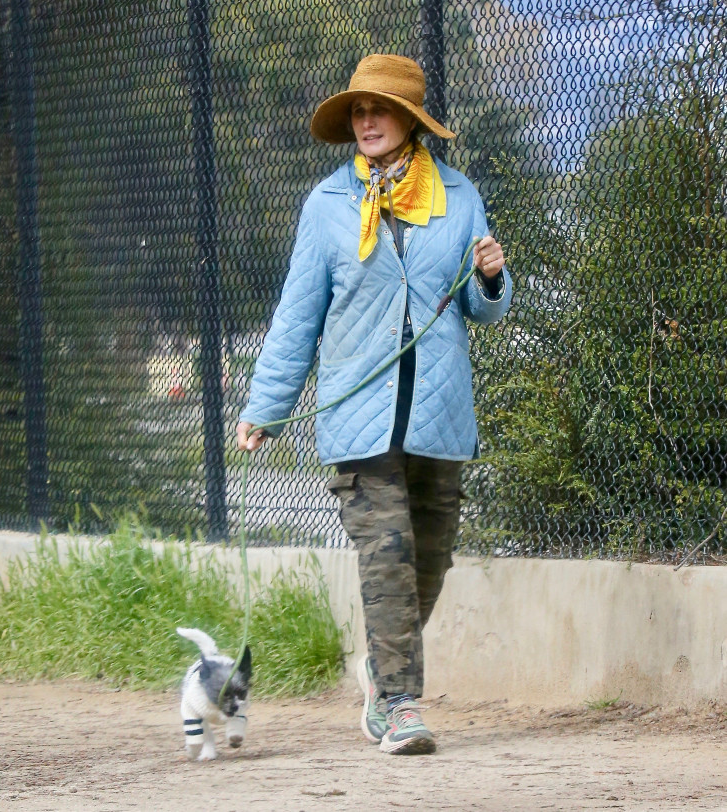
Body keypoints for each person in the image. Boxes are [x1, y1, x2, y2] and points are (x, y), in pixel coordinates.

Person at [237, 54, 511, 755]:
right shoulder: (327, 207)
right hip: (359, 420)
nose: (364, 121)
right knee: (385, 556)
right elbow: (297, 317)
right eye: (358, 111)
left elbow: (489, 310)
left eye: (378, 110)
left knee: (430, 560)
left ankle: (380, 666)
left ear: (409, 122)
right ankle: (397, 703)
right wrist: (264, 408)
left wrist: (492, 276)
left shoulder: (457, 196)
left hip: (439, 416)